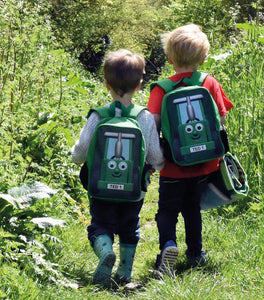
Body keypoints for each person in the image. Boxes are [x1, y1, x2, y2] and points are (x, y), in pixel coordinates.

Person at [71, 49, 164, 288]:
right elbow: (155, 156)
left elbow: (80, 153)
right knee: (129, 227)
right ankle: (125, 272)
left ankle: (104, 252)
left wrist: (75, 155)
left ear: (105, 83)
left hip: (100, 188)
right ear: (140, 85)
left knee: (100, 225)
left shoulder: (98, 116)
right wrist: (155, 167)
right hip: (134, 190)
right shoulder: (143, 117)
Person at [148, 24, 234, 275]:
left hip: (173, 166)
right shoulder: (209, 82)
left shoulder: (161, 88)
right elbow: (221, 119)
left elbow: (152, 125)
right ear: (203, 57)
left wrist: (154, 159)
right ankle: (196, 253)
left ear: (170, 59)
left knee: (166, 210)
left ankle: (168, 245)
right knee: (192, 209)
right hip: (203, 164)